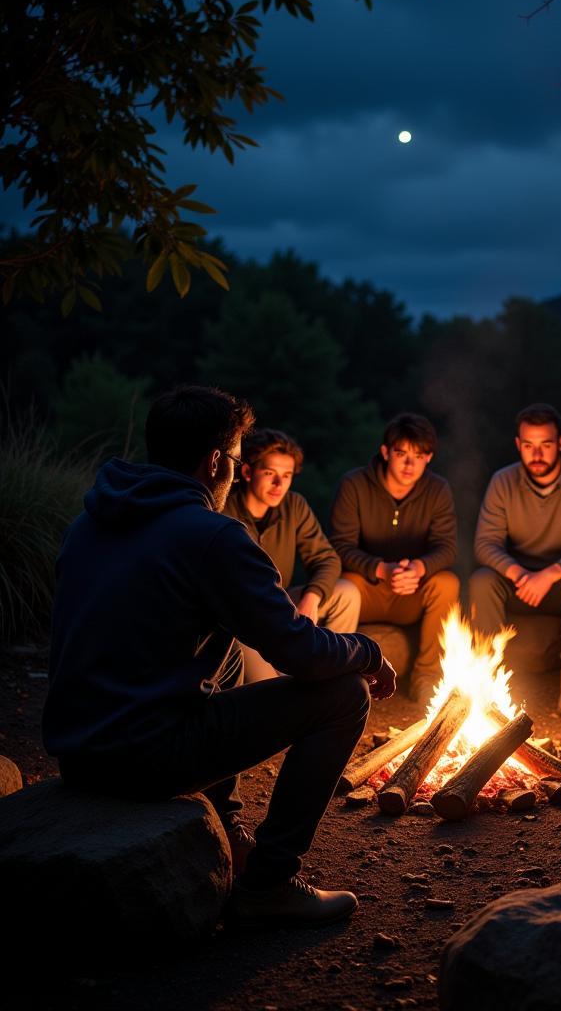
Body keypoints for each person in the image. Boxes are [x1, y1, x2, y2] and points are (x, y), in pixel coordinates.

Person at [43, 385, 396, 925]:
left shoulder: (89, 522)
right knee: (344, 694)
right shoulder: (211, 535)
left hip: (78, 749)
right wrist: (367, 651)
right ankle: (270, 885)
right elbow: (302, 653)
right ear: (214, 462)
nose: (233, 471)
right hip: (143, 756)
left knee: (224, 649)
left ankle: (227, 827)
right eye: (236, 459)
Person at [470, 403, 561, 715]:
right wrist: (517, 571)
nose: (537, 455)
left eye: (545, 445)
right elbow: (485, 543)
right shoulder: (503, 481)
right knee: (482, 580)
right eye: (529, 445)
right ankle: (487, 676)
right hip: (519, 582)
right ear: (518, 445)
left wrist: (550, 573)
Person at [329, 413, 459, 706]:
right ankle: (340, 681)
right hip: (368, 587)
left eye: (418, 455)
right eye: (401, 454)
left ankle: (427, 678)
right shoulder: (355, 484)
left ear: (429, 458)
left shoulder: (437, 490)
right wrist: (380, 568)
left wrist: (419, 567)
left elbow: (447, 547)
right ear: (386, 452)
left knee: (446, 583)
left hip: (411, 588)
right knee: (344, 582)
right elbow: (340, 545)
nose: (409, 464)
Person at [224, 428, 359, 681]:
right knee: (274, 693)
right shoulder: (225, 508)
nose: (279, 484)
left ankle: (331, 678)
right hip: (242, 620)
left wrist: (313, 596)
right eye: (269, 473)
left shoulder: (294, 506)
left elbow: (327, 559)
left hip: (281, 606)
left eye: (286, 475)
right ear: (247, 472)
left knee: (347, 593)